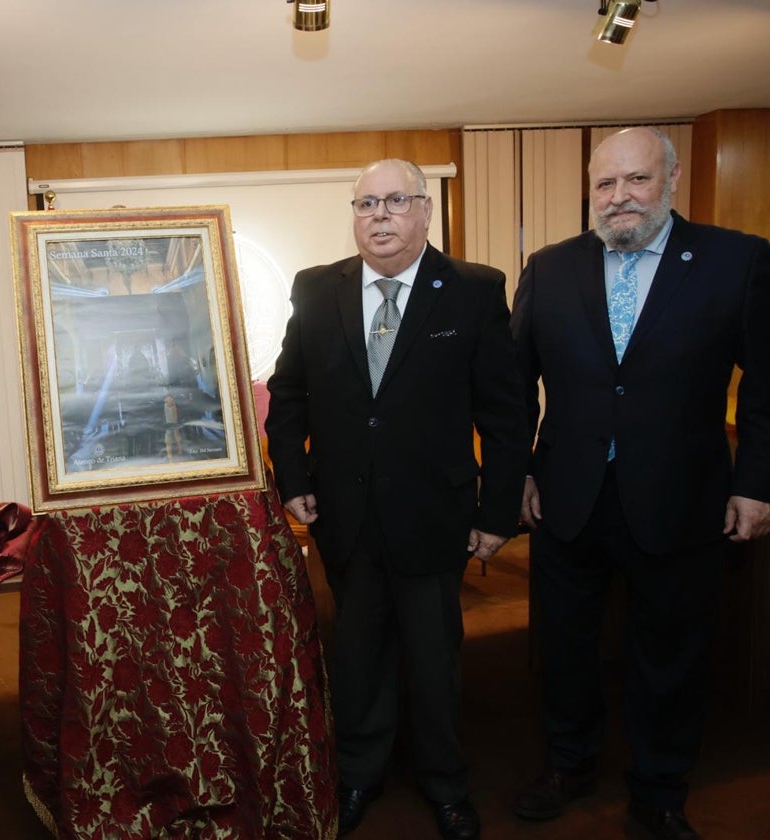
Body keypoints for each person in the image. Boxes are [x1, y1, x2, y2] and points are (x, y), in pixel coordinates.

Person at [510, 126, 770, 840]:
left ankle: (660, 790)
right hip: (568, 497)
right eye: (604, 183)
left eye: (637, 180)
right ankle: (568, 765)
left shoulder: (737, 260)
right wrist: (523, 473)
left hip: (683, 498)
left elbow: (766, 384)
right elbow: (513, 385)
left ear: (672, 178)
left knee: (672, 657)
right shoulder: (551, 267)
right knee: (565, 649)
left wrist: (757, 482)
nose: (619, 197)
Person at [265, 159, 529, 839]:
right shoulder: (317, 289)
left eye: (394, 201)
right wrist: (293, 480)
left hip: (435, 515)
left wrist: (496, 512)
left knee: (434, 659)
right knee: (356, 655)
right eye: (365, 204)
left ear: (424, 211)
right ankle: (358, 776)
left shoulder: (473, 290)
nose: (378, 216)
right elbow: (288, 394)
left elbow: (506, 412)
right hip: (344, 516)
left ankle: (446, 784)